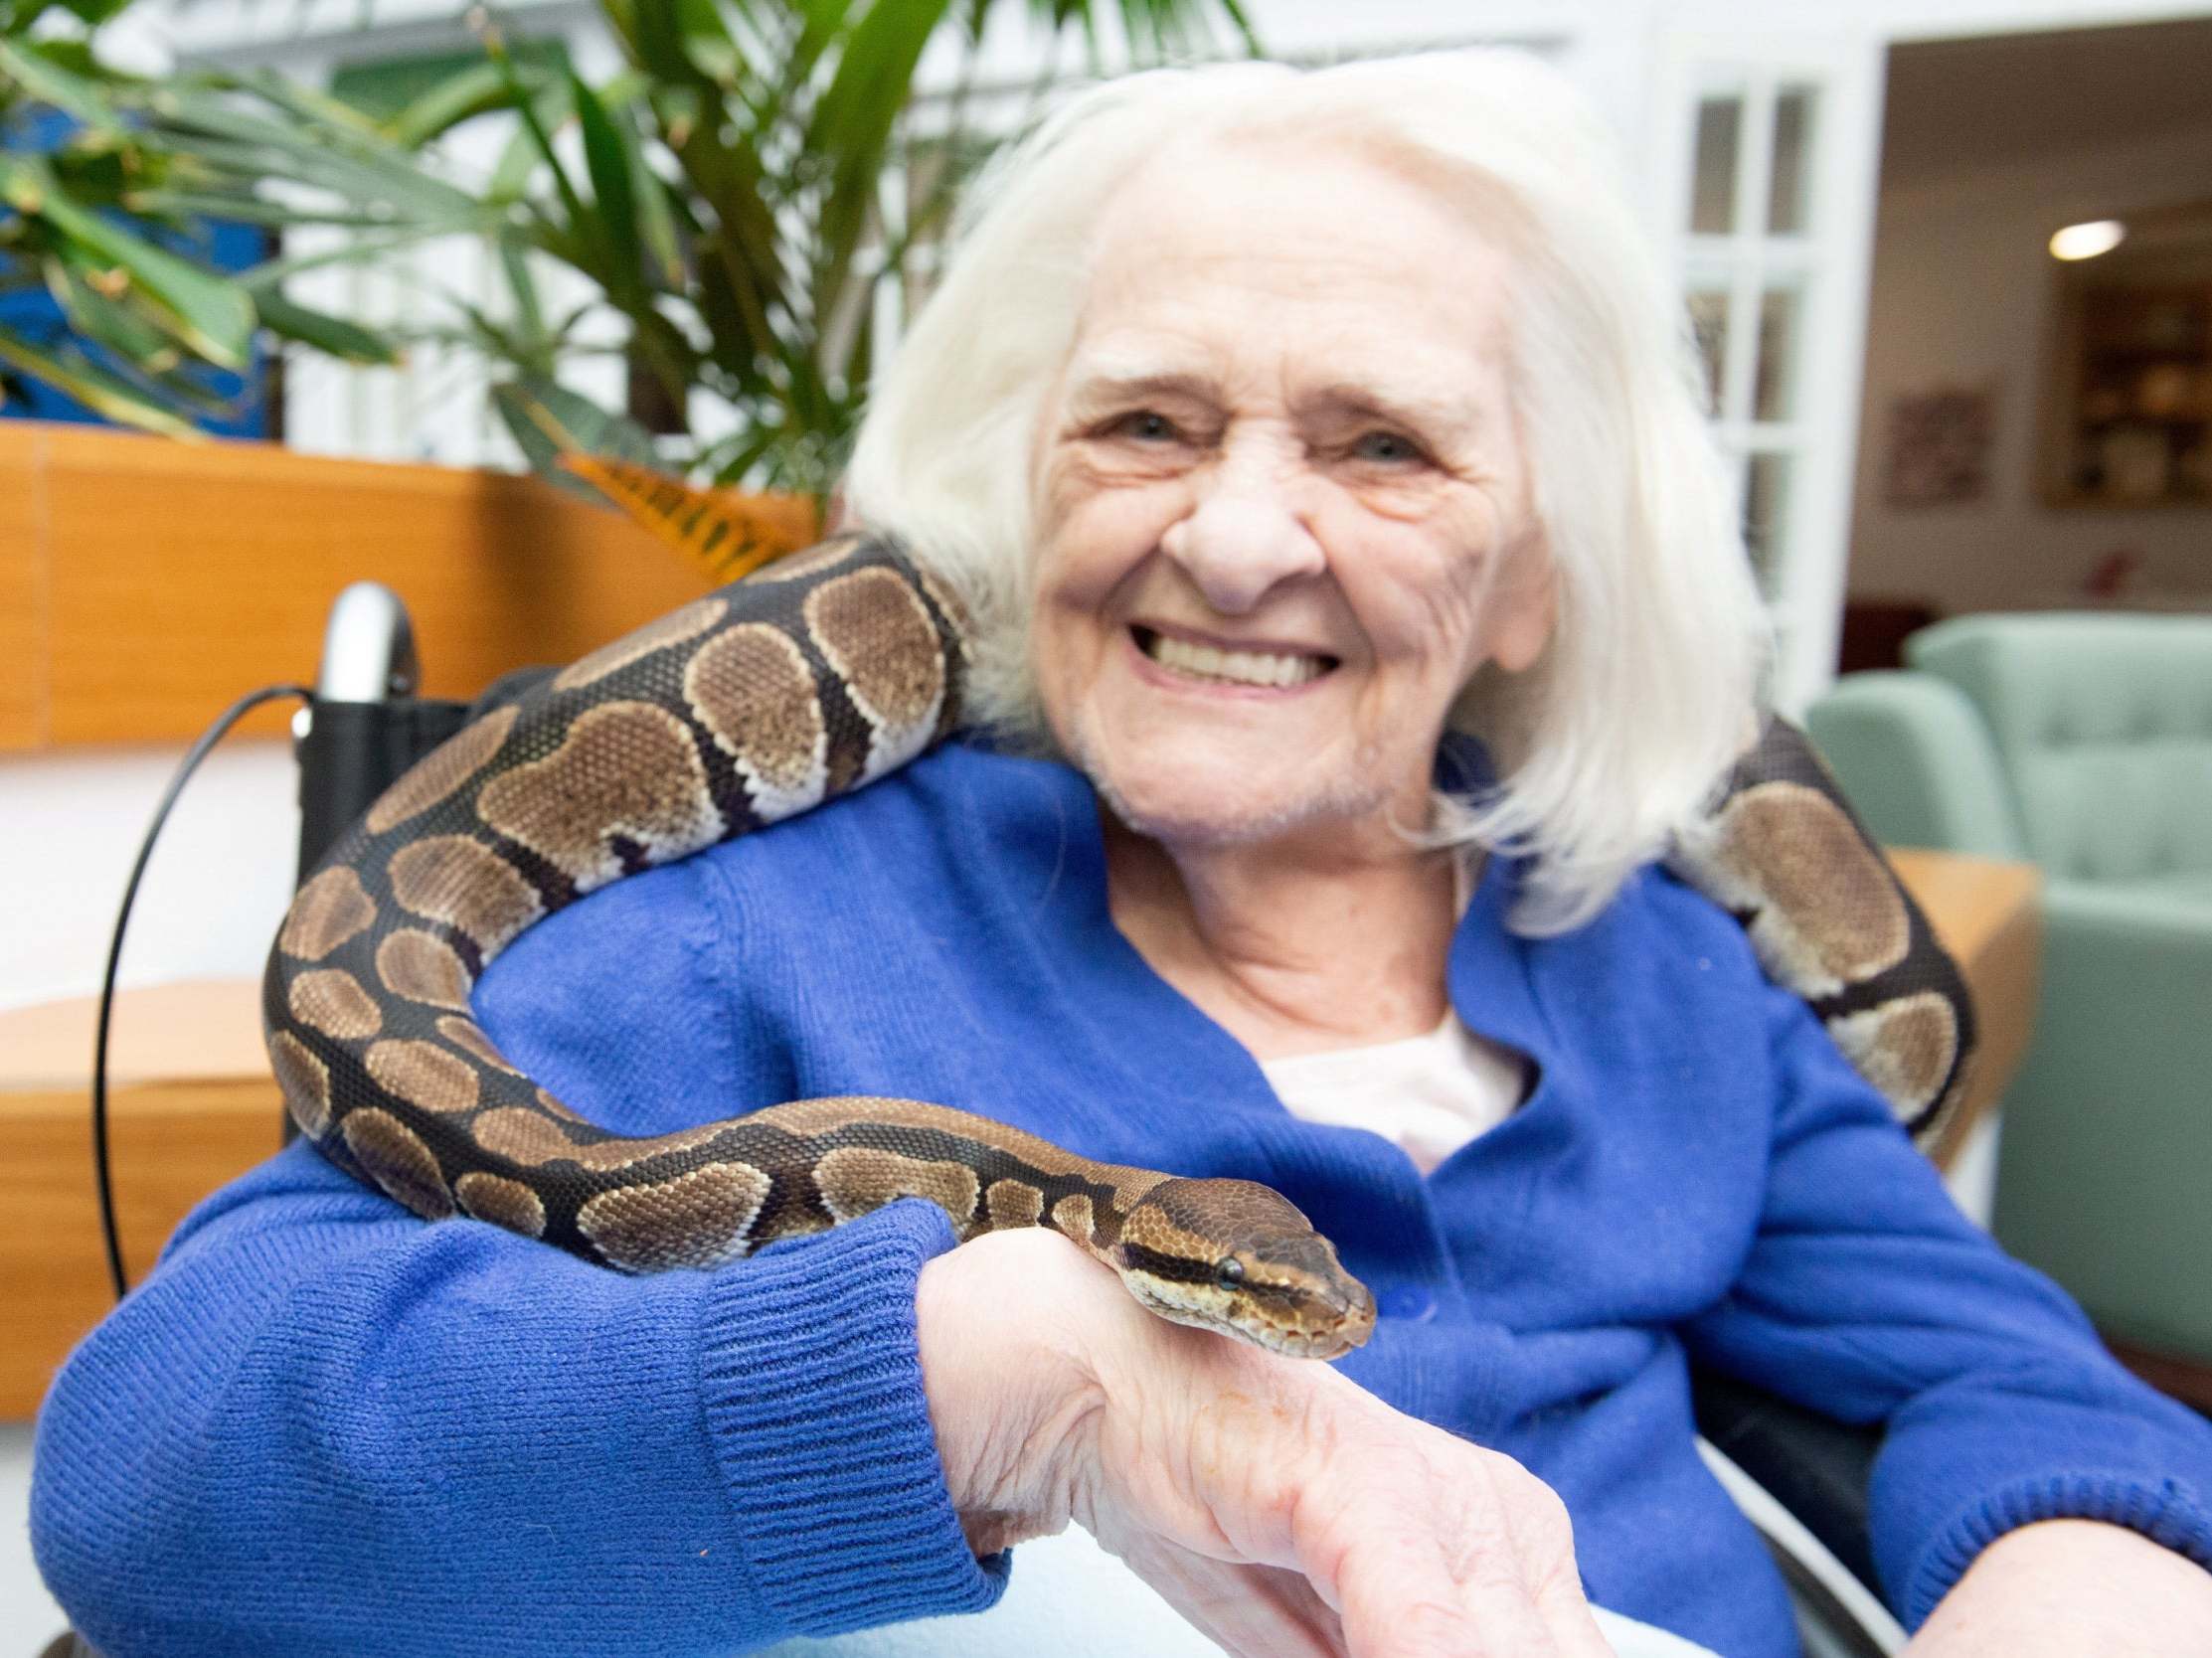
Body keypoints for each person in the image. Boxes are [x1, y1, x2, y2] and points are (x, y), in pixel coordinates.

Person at [32, 49, 2212, 1658]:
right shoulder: (769, 927)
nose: (1239, 534)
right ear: (1013, 491)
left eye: (1383, 445)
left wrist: (2080, 1582)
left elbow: (1998, 1374)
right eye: (1147, 422)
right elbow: (162, 1466)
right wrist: (1011, 1379)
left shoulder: (1652, 967)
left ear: (1540, 578)